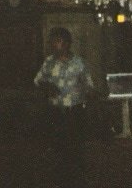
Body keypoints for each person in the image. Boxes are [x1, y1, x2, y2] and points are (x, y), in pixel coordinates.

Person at [33, 26, 94, 187]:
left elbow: (89, 86)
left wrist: (89, 99)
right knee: (58, 148)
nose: (54, 45)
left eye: (58, 41)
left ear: (67, 43)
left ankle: (77, 180)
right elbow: (38, 80)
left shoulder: (79, 63)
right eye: (52, 41)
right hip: (56, 113)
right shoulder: (48, 62)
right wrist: (47, 86)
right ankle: (60, 180)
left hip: (74, 112)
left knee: (75, 148)